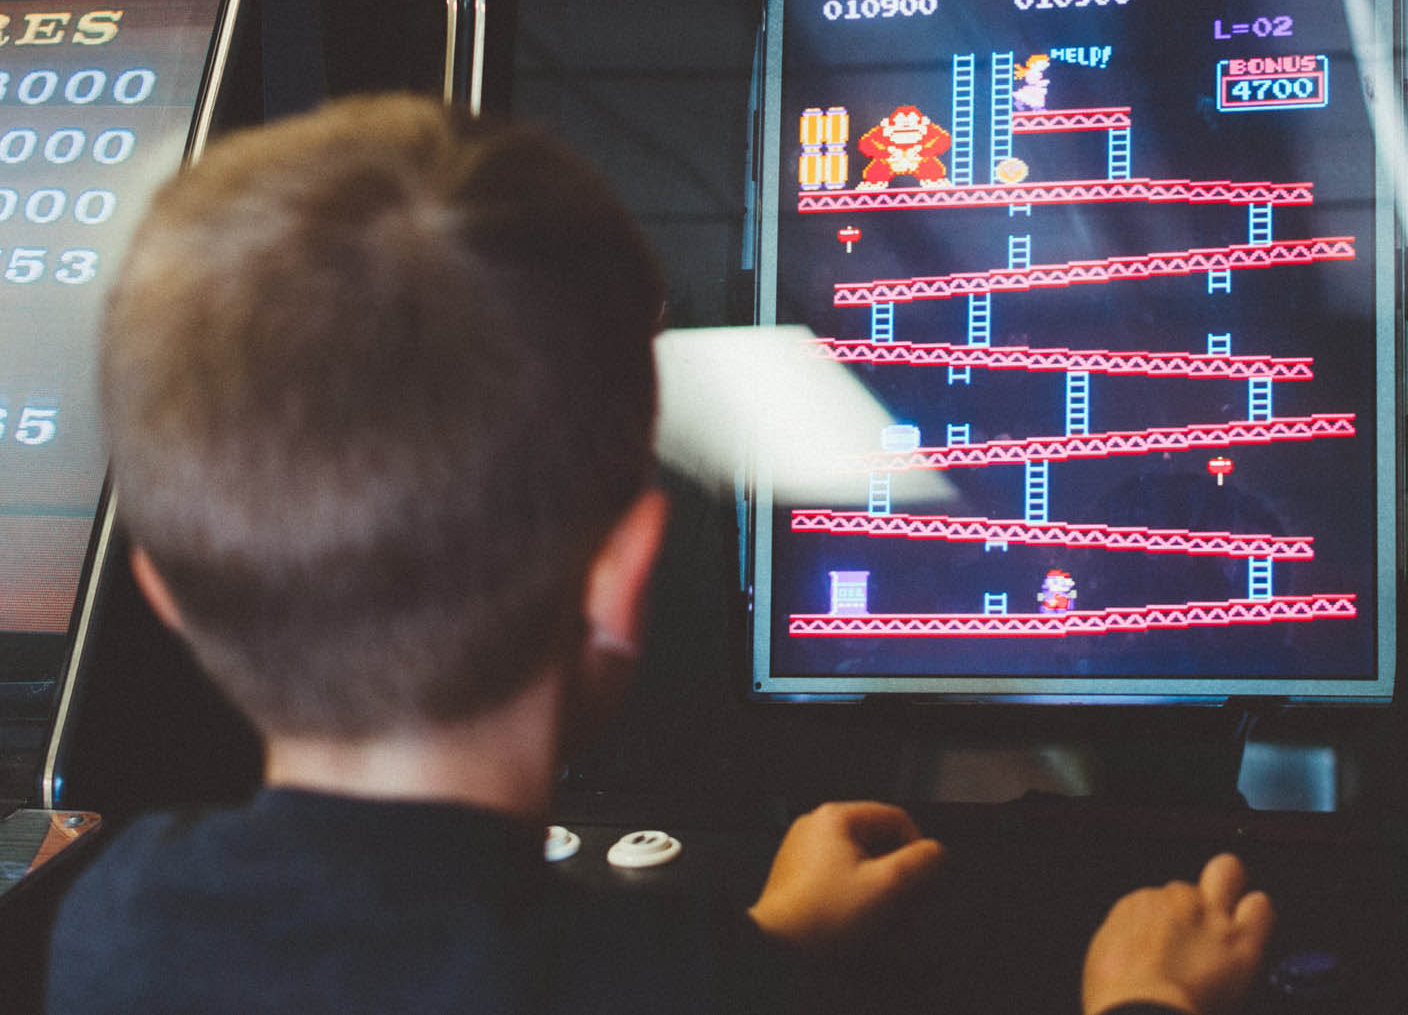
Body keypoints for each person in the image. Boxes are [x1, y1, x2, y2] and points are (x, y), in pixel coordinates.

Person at [46, 94, 1273, 1015]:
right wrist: (1145, 996)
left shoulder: (113, 911)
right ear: (616, 580)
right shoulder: (680, 983)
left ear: (163, 589)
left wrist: (772, 937)